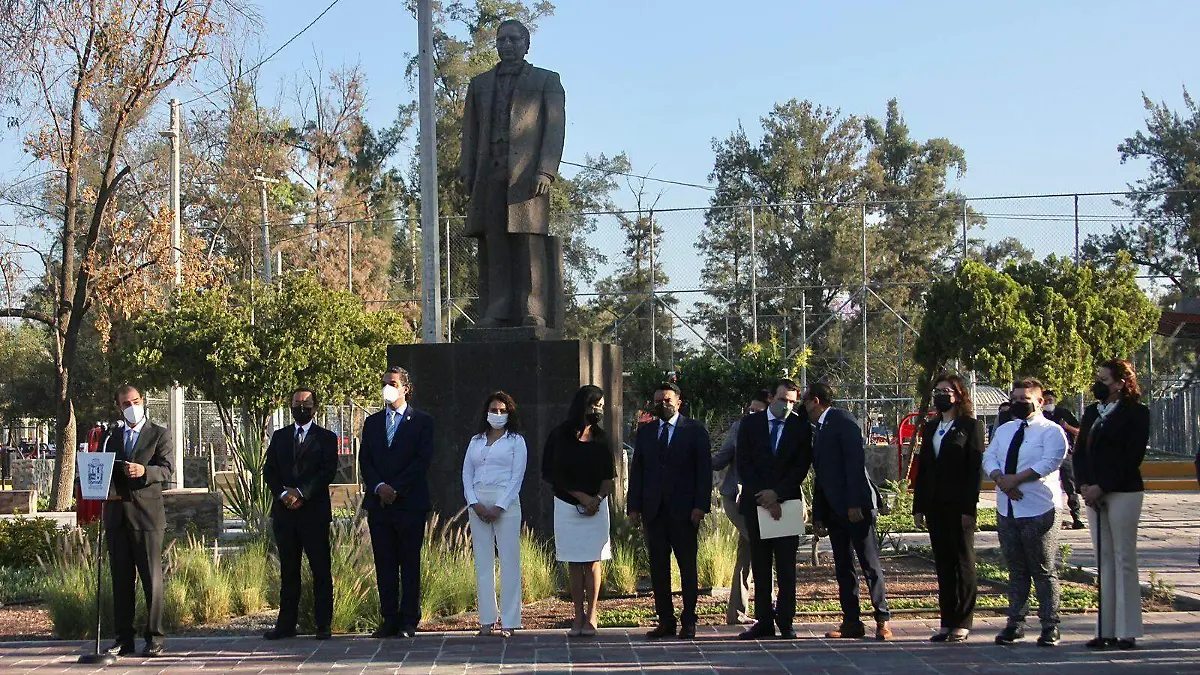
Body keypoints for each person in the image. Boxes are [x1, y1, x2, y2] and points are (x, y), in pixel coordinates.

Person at [459, 18, 566, 329]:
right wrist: (467, 171)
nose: (507, 45)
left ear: (526, 45)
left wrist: (546, 171)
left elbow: (554, 130)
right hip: (489, 174)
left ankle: (533, 309)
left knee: (527, 241)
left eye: (514, 39)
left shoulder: (547, 80)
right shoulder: (480, 84)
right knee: (495, 242)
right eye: (501, 39)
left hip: (526, 177)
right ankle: (498, 308)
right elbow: (470, 131)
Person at [984, 377, 1068, 647]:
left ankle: (1050, 625)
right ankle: (1015, 623)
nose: (1019, 403)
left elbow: (1050, 461)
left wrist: (1017, 479)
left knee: (1043, 569)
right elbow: (990, 457)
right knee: (1016, 569)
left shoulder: (1051, 431)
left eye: (1025, 398)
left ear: (1040, 401)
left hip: (1039, 508)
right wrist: (1000, 479)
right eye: (1015, 399)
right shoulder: (1005, 430)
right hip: (1007, 508)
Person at [805, 383, 892, 641]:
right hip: (834, 510)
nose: (803, 407)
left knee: (869, 564)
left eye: (805, 401)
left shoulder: (843, 421)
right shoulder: (820, 429)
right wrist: (819, 515)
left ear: (816, 401)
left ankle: (883, 619)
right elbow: (822, 475)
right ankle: (851, 621)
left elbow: (855, 463)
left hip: (857, 508)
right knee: (844, 567)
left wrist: (854, 503)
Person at [627, 382, 712, 640]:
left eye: (667, 400)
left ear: (678, 402)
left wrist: (700, 506)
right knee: (658, 569)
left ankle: (689, 620)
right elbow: (638, 471)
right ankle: (665, 620)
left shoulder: (694, 431)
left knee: (687, 568)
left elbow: (704, 472)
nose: (662, 405)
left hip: (684, 512)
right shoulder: (646, 432)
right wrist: (634, 507)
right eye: (658, 401)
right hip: (654, 512)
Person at [1074, 359, 1150, 650]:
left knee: (1123, 557)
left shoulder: (1136, 413)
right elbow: (1080, 452)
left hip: (1123, 491)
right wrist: (1084, 485)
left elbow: (1132, 457)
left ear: (1120, 383)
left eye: (1104, 380)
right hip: (1093, 494)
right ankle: (1105, 628)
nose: (1099, 385)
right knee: (1103, 560)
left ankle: (1127, 630)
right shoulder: (1092, 412)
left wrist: (1102, 486)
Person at [359, 366, 435, 639]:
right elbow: (365, 460)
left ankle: (408, 620)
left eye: (392, 383)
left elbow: (422, 461)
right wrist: (379, 487)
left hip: (410, 504)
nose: (386, 388)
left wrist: (397, 488)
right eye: (384, 383)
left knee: (409, 563)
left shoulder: (422, 421)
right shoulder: (372, 423)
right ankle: (389, 618)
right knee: (385, 563)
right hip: (380, 505)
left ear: (406, 388)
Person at [735, 378, 813, 640]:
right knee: (760, 564)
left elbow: (801, 466)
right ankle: (764, 621)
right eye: (782, 400)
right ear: (771, 398)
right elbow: (744, 463)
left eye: (792, 402)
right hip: (757, 502)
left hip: (787, 503)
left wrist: (777, 494)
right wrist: (765, 496)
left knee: (787, 567)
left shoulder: (800, 427)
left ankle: (786, 621)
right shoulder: (750, 424)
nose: (787, 406)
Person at [912, 373, 985, 642]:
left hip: (958, 504)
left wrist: (969, 509)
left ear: (958, 395)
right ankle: (947, 620)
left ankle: (962, 621)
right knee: (943, 562)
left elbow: (973, 471)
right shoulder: (932, 427)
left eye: (946, 391)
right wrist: (918, 506)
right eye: (937, 391)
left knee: (962, 561)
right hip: (934, 504)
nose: (941, 396)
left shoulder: (970, 426)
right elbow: (924, 469)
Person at [263, 388, 339, 641]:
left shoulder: (326, 438)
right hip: (285, 514)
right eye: (297, 403)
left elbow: (327, 472)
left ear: (315, 407)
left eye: (306, 403)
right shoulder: (280, 436)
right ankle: (286, 625)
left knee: (320, 570)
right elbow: (270, 471)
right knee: (289, 571)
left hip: (314, 514)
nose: (301, 407)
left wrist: (301, 493)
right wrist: (283, 494)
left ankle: (323, 625)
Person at [102, 384, 173, 658]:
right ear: (118, 407)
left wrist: (145, 471)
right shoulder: (111, 436)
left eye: (135, 401)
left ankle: (155, 637)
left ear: (142, 401)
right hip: (117, 517)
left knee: (151, 580)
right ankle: (123, 639)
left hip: (147, 517)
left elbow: (166, 470)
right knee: (121, 581)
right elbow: (101, 466)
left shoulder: (159, 434)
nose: (132, 407)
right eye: (125, 403)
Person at [544, 385, 615, 637]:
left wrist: (596, 499)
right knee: (574, 562)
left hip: (597, 507)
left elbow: (609, 476)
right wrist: (581, 497)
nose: (598, 410)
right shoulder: (560, 435)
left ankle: (592, 614)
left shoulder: (602, 438)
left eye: (602, 406)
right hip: (567, 506)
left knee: (593, 561)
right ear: (583, 405)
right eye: (595, 405)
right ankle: (577, 615)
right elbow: (553, 473)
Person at [462, 391, 528, 638]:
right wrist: (474, 502)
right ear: (486, 412)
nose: (497, 414)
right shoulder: (476, 440)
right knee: (483, 563)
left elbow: (517, 477)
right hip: (478, 501)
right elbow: (467, 473)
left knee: (509, 561)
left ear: (509, 413)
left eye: (502, 411)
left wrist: (500, 506)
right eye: (493, 410)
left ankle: (509, 621)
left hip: (506, 502)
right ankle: (486, 620)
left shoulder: (516, 441)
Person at [711, 389, 771, 625]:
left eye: (757, 411)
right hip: (736, 499)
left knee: (746, 554)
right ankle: (769, 608)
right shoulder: (739, 428)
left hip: (765, 501)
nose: (751, 415)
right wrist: (697, 458)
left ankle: (736, 612)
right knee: (763, 548)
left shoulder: (777, 431)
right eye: (750, 410)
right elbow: (721, 459)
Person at [1043, 390, 1084, 529]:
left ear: (1055, 400)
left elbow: (1079, 431)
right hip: (1046, 455)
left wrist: (1066, 426)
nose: (1048, 403)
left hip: (1066, 454)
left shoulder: (1064, 413)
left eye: (1050, 400)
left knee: (1070, 486)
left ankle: (1076, 517)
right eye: (1045, 400)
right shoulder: (1040, 416)